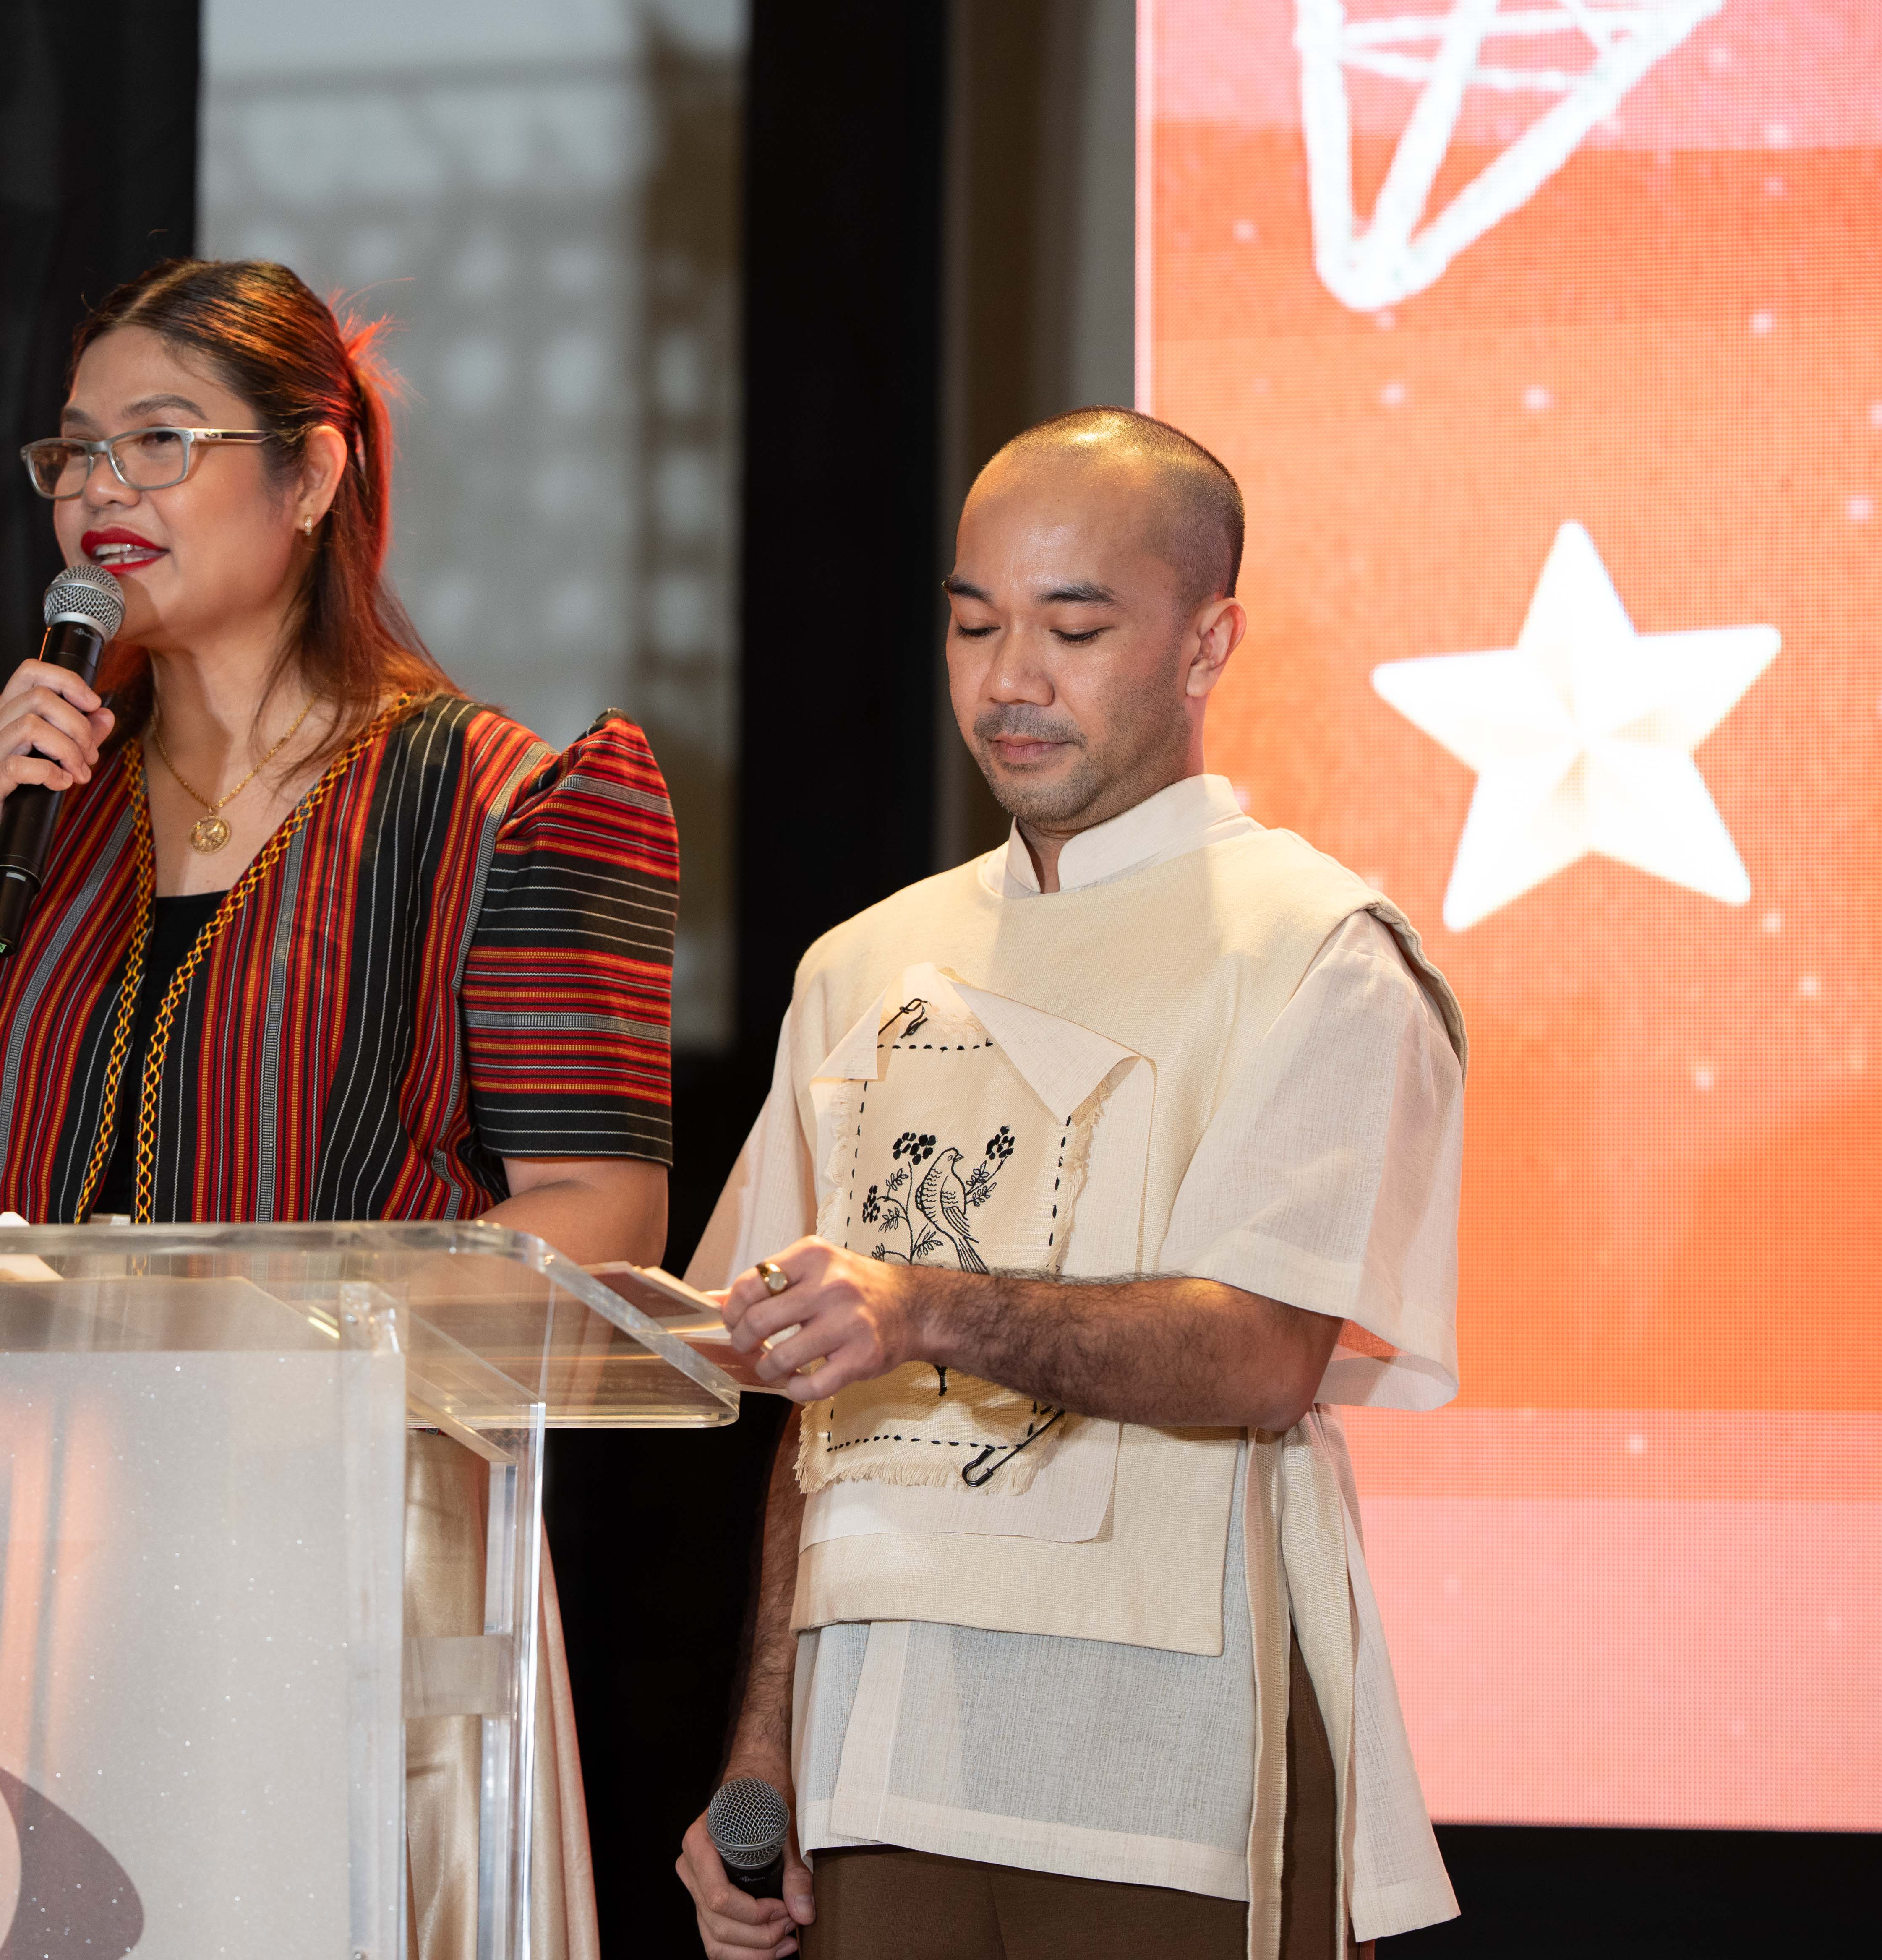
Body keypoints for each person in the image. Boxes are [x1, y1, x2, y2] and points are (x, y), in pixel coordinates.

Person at [0, 258, 675, 1959]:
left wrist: (291, 1350)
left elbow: (604, 1218)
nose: (103, 488)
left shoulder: (505, 805)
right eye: (76, 450)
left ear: (315, 475)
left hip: (325, 1556)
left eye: (161, 441)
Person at [674, 408, 1465, 1960]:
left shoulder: (1314, 948)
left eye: (1073, 628)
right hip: (880, 1746)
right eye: (975, 624)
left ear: (1205, 640)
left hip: (1171, 1744)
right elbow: (811, 1397)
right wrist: (760, 1745)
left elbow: (1260, 1352)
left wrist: (922, 1305)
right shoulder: (861, 963)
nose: (1009, 679)